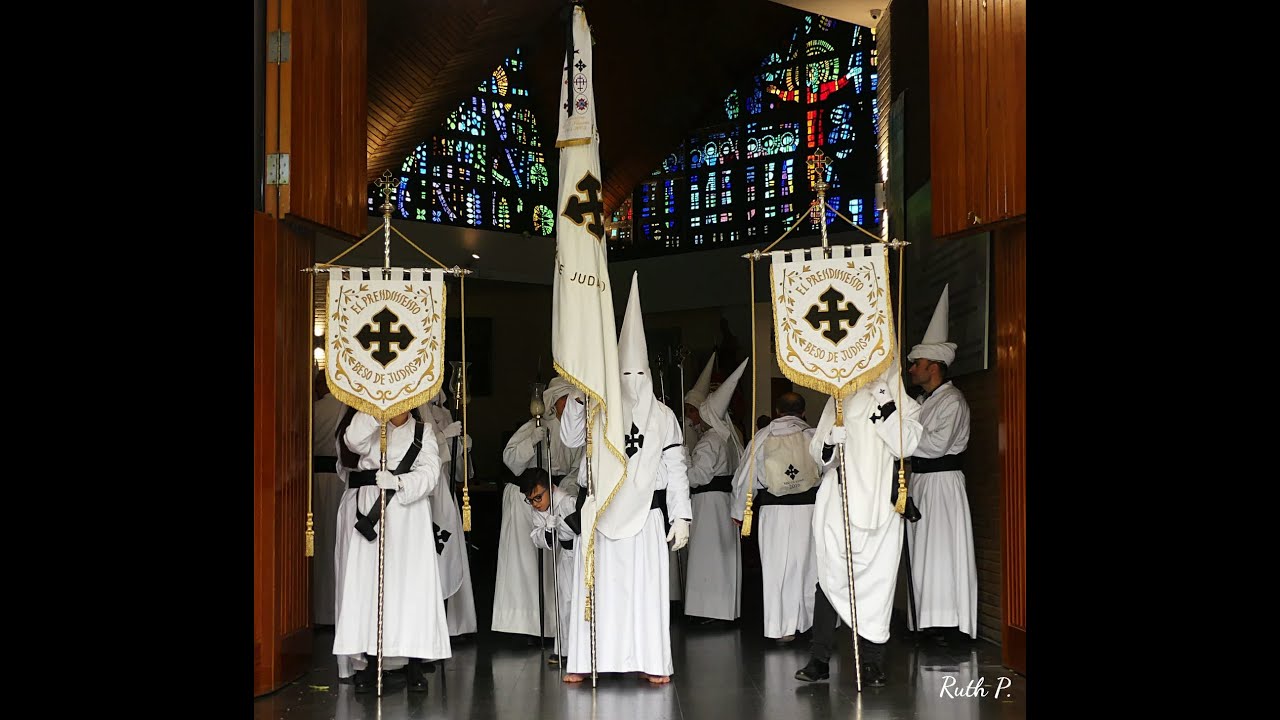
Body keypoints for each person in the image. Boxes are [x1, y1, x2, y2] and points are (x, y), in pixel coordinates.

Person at [558, 272, 693, 684]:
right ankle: (586, 661)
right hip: (601, 514)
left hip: (646, 518)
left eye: (638, 375)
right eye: (625, 374)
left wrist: (681, 516)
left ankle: (651, 661)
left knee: (643, 592)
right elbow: (569, 438)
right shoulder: (598, 407)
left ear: (648, 375)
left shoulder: (664, 417)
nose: (632, 382)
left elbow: (676, 468)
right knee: (600, 591)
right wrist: (580, 393)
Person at [794, 358, 922, 688]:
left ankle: (872, 663)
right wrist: (829, 442)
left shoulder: (902, 400)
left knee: (879, 582)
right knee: (830, 577)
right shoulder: (840, 397)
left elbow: (905, 445)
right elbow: (819, 453)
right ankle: (819, 659)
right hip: (841, 500)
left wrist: (885, 399)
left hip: (881, 505)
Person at [332, 407, 451, 694]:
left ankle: (414, 664)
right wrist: (377, 414)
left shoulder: (422, 431)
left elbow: (430, 473)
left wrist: (399, 482)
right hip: (372, 509)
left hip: (409, 514)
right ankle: (371, 662)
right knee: (371, 587)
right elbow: (352, 441)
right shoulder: (370, 424)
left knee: (411, 589)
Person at [904, 284, 978, 642]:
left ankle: (947, 622)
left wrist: (903, 437)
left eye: (916, 364)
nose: (911, 369)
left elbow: (935, 446)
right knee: (923, 549)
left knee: (942, 550)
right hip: (922, 483)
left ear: (933, 367)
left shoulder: (953, 402)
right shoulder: (924, 401)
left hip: (943, 484)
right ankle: (926, 620)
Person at [496, 378, 583, 643]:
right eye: (566, 401)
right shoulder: (535, 426)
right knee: (525, 561)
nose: (570, 407)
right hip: (526, 499)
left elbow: (578, 469)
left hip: (555, 499)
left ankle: (550, 627)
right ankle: (523, 625)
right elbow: (510, 460)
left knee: (553, 564)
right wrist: (532, 441)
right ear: (554, 401)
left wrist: (563, 491)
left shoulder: (578, 431)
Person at [731, 392, 820, 643]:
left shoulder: (762, 438)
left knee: (776, 568)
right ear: (803, 412)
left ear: (777, 411)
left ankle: (781, 628)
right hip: (810, 511)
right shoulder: (814, 436)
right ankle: (812, 624)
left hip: (774, 512)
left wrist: (740, 511)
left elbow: (745, 478)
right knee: (810, 567)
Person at [683, 357, 749, 624]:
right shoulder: (728, 439)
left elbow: (697, 476)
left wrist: (682, 460)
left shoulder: (709, 441)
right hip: (723, 503)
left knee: (708, 555)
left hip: (709, 504)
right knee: (722, 555)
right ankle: (723, 609)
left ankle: (709, 610)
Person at [413, 391, 478, 638]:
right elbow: (416, 451)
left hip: (444, 493)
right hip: (424, 490)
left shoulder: (447, 414)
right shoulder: (414, 410)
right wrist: (443, 438)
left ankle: (454, 623)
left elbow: (460, 473)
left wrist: (462, 449)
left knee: (449, 553)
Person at [521, 468, 577, 666]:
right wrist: (547, 530)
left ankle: (585, 651)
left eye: (538, 497)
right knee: (565, 603)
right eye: (530, 500)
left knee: (583, 603)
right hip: (566, 557)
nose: (535, 504)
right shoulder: (538, 510)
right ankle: (565, 650)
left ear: (551, 488)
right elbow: (538, 537)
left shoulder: (568, 501)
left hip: (582, 555)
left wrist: (567, 522)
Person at [311, 372, 347, 625]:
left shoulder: (314, 410)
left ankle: (319, 611)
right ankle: (336, 610)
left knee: (321, 542)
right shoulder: (345, 409)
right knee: (336, 541)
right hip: (341, 481)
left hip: (317, 481)